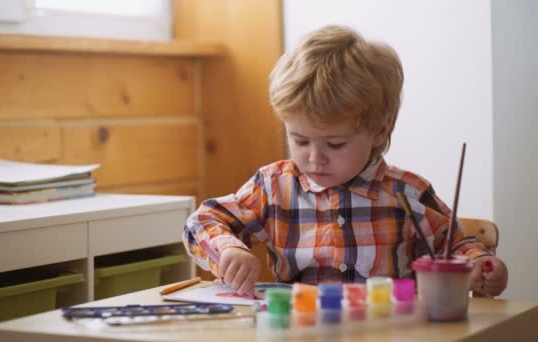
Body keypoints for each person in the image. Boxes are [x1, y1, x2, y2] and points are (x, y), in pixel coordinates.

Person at [182, 25, 507, 297]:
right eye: (299, 139)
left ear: (380, 130)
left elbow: (457, 248)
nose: (314, 158)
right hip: (299, 330)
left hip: (388, 331)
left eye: (335, 144)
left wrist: (481, 266)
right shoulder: (273, 186)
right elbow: (202, 222)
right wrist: (229, 249)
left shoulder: (406, 193)